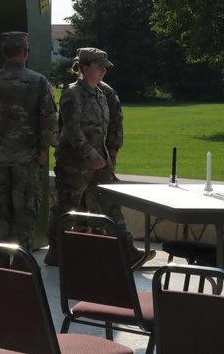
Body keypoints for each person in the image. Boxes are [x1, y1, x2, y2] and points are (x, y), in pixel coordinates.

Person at [43, 48, 151, 267]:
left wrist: (107, 156)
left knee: (111, 204)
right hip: (74, 163)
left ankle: (128, 251)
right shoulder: (73, 94)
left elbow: (107, 128)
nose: (103, 70)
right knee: (66, 207)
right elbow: (72, 130)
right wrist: (90, 154)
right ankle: (55, 251)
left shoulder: (101, 93)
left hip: (98, 161)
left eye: (105, 67)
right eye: (99, 66)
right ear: (84, 68)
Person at [0, 31, 57, 265]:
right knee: (25, 206)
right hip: (26, 158)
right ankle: (21, 259)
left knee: (0, 207)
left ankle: (1, 257)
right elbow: (48, 119)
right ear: (25, 52)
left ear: (4, 52)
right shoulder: (37, 81)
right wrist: (43, 150)